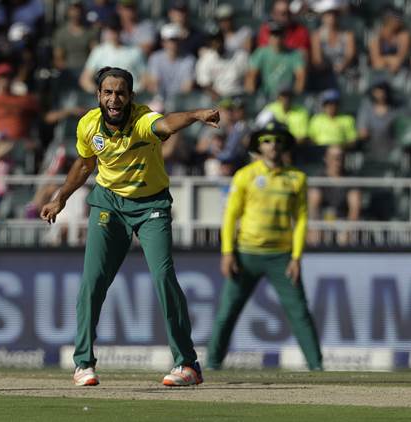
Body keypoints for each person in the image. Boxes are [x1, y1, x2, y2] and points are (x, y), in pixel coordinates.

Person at [39, 66, 219, 387]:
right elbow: (84, 164)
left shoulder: (143, 119)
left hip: (151, 205)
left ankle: (187, 364)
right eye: (108, 92)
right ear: (98, 95)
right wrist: (60, 198)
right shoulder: (88, 125)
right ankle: (83, 364)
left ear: (131, 96)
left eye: (120, 93)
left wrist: (195, 115)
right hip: (108, 204)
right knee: (92, 281)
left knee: (163, 277)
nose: (114, 99)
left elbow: (167, 124)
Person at [206, 121, 323, 371]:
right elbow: (231, 216)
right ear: (259, 146)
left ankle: (317, 367)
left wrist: (296, 257)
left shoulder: (297, 178)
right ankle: (212, 365)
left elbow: (301, 219)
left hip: (281, 257)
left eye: (278, 141)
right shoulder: (245, 175)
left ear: (285, 145)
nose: (273, 145)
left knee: (299, 312)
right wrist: (227, 252)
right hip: (246, 255)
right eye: (267, 141)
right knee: (227, 312)